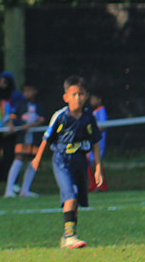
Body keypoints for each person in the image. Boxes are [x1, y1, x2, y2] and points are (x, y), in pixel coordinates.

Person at [31, 75, 103, 249]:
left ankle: (68, 235)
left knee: (76, 199)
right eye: (74, 94)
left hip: (80, 160)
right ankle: (70, 236)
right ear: (66, 97)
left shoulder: (88, 117)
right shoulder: (60, 116)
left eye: (81, 94)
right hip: (62, 160)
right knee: (70, 194)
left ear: (86, 96)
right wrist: (37, 158)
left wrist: (98, 169)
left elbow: (95, 144)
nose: (78, 98)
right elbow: (46, 139)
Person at [4, 84, 44, 198]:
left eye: (29, 91)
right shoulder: (19, 105)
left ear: (35, 91)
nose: (27, 93)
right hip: (22, 137)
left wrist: (31, 125)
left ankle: (25, 190)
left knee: (33, 161)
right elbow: (12, 116)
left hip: (34, 138)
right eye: (25, 91)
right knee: (19, 159)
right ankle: (9, 190)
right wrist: (11, 125)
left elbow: (41, 120)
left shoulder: (39, 106)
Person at [88, 92, 108, 192]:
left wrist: (93, 132)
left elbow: (103, 125)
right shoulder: (94, 111)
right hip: (93, 141)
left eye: (93, 99)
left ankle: (101, 186)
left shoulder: (101, 110)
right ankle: (93, 185)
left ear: (99, 99)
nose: (91, 101)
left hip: (99, 141)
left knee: (96, 162)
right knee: (90, 162)